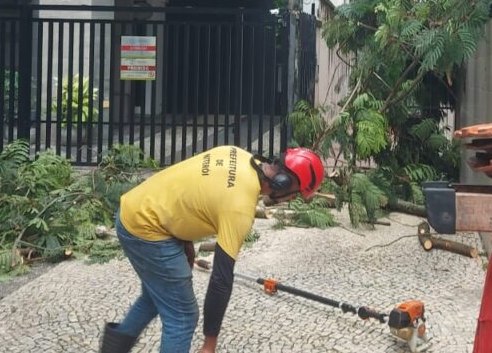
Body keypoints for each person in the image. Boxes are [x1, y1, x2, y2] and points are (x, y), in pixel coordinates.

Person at [99, 145, 325, 353]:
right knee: (182, 316)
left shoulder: (234, 153)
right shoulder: (239, 208)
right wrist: (210, 343)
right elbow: (221, 279)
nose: (292, 198)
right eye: (295, 193)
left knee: (157, 295)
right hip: (146, 228)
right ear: (283, 182)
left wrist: (184, 239)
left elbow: (189, 188)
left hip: (134, 208)